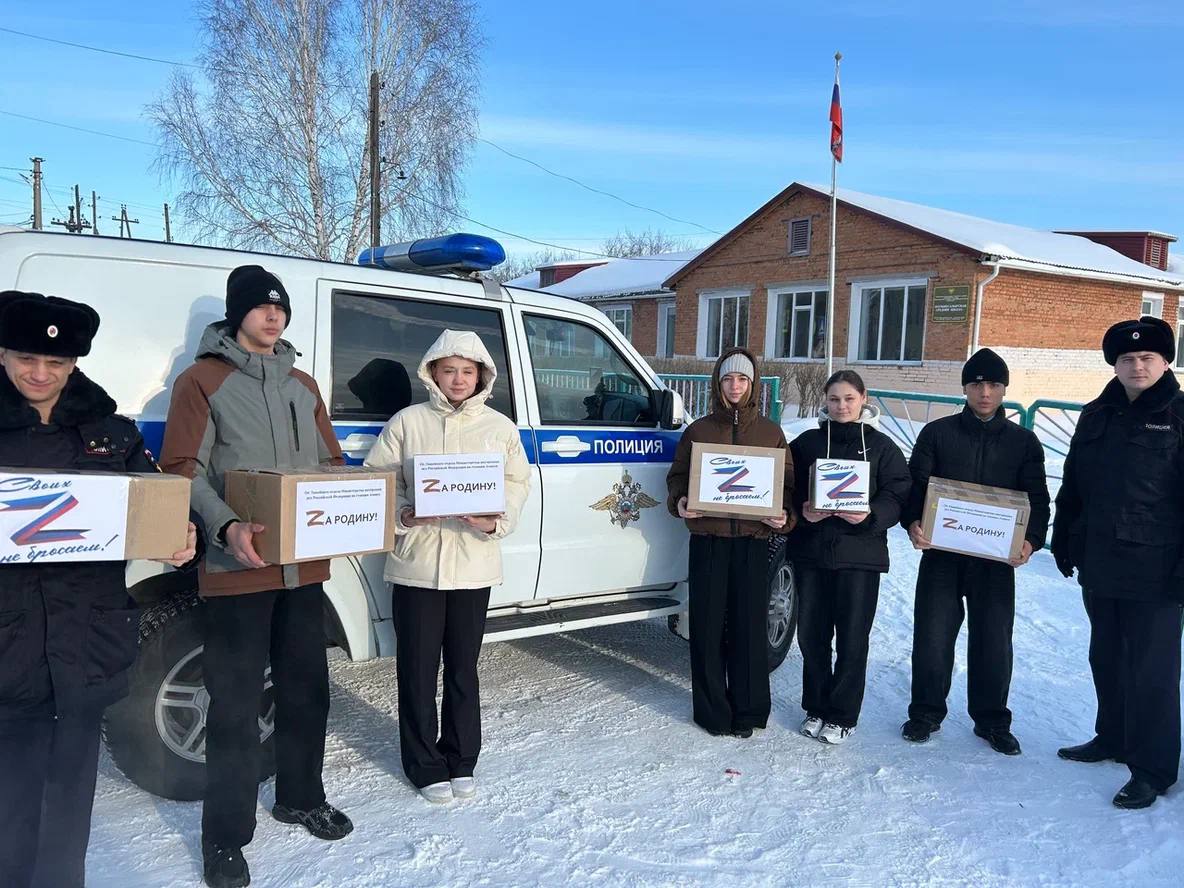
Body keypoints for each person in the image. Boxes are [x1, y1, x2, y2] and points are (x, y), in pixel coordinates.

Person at [160, 265, 352, 888]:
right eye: (262, 307)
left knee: (305, 691)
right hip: (236, 567)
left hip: (302, 570)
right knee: (236, 706)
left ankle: (299, 796)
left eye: (281, 309)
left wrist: (355, 509)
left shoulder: (303, 384)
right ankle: (225, 836)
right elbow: (182, 467)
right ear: (237, 313)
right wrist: (226, 527)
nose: (273, 317)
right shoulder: (203, 381)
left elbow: (329, 462)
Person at [0, 291, 197, 888]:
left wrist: (179, 535)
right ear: (2, 355)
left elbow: (154, 506)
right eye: (25, 359)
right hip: (10, 647)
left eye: (55, 364)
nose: (40, 374)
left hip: (87, 642)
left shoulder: (113, 435)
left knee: (69, 800)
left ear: (75, 365)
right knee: (11, 801)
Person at [364, 329, 530, 804]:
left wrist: (495, 520)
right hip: (416, 563)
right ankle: (423, 764)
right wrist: (403, 514)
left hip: (474, 564)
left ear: (481, 376)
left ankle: (461, 758)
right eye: (449, 370)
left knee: (464, 668)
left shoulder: (499, 428)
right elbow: (380, 479)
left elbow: (516, 485)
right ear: (432, 372)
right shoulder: (407, 422)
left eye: (467, 371)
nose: (458, 380)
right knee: (416, 669)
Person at [1051, 316, 1184, 809]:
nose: (1137, 366)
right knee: (1106, 657)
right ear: (1114, 364)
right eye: (1126, 359)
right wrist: (1064, 538)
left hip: (1158, 570)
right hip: (1101, 561)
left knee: (1152, 670)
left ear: (1165, 361)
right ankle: (1112, 737)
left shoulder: (1179, 414)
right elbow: (1074, 484)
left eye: (1147, 357)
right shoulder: (1096, 414)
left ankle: (1152, 768)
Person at [900, 348, 1050, 755]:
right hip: (943, 557)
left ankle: (992, 720)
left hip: (995, 562)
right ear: (965, 388)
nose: (985, 392)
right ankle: (926, 713)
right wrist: (913, 522)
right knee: (932, 637)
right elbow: (916, 485)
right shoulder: (938, 434)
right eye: (977, 384)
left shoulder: (1023, 442)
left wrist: (1031, 540)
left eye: (994, 385)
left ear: (1004, 390)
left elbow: (1037, 496)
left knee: (994, 640)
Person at [666, 347, 793, 738]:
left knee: (749, 627)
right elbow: (677, 477)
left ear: (752, 384)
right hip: (709, 541)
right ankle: (711, 711)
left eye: (742, 379)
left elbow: (786, 485)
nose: (735, 386)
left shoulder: (770, 432)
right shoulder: (699, 431)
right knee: (705, 628)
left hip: (753, 543)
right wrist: (681, 501)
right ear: (717, 383)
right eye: (727, 378)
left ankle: (749, 710)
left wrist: (785, 514)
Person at [788, 371, 910, 745]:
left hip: (860, 556)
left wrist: (872, 515)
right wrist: (801, 510)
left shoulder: (880, 447)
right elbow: (785, 486)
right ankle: (816, 707)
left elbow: (899, 491)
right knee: (811, 636)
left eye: (849, 399)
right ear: (825, 401)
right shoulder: (807, 443)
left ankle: (842, 714)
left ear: (863, 399)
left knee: (853, 638)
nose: (841, 406)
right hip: (812, 554)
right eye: (834, 399)